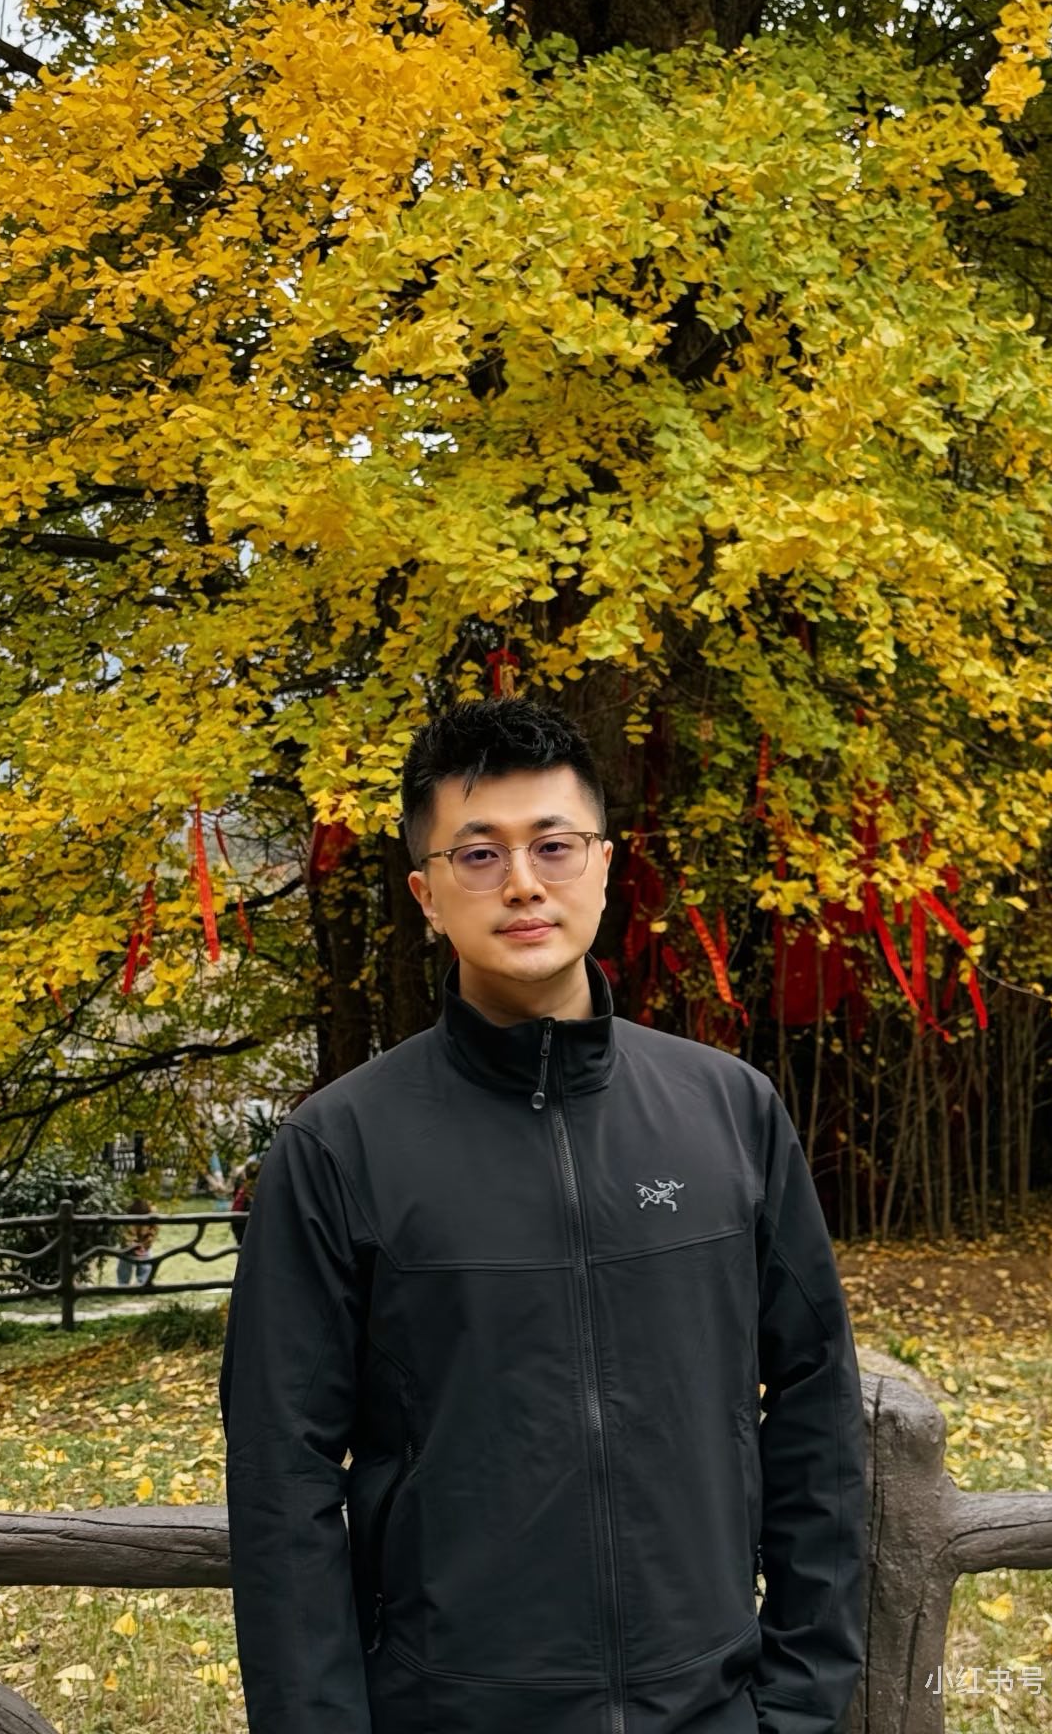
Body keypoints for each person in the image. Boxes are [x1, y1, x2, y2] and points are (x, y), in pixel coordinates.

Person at [220, 696, 868, 1734]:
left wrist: (796, 1702)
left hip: (709, 1706)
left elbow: (815, 1403)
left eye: (554, 846)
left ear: (604, 866)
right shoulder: (340, 1147)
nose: (523, 882)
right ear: (427, 894)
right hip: (447, 1711)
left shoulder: (728, 1112)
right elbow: (278, 1470)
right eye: (478, 855)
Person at [115, 1193, 157, 1287]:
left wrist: (144, 1245)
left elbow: (153, 1231)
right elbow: (125, 1232)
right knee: (124, 1265)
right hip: (128, 1246)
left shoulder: (152, 1211)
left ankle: (143, 1284)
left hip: (144, 1243)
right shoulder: (126, 1209)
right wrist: (132, 1245)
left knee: (146, 1265)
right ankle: (122, 1285)